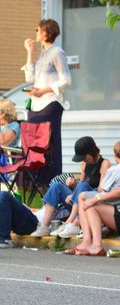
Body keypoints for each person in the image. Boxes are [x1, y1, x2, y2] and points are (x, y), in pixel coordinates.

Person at [23, 18, 70, 185]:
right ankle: (33, 182)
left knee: (49, 142)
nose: (35, 32)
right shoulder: (43, 53)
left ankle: (52, 181)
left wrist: (43, 91)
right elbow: (30, 78)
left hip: (51, 103)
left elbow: (66, 80)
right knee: (33, 140)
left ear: (45, 32)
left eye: (37, 30)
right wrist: (29, 52)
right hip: (36, 104)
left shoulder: (57, 52)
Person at [33, 136, 111, 238]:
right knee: (56, 186)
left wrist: (77, 193)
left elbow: (102, 190)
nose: (83, 160)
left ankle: (70, 223)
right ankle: (45, 225)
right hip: (78, 203)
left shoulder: (104, 164)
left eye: (84, 157)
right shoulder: (84, 164)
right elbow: (81, 184)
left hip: (92, 204)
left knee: (83, 186)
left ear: (91, 152)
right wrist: (74, 188)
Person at [68, 141, 120, 256]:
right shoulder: (87, 165)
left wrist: (95, 199)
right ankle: (91, 243)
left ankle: (91, 243)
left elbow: (103, 191)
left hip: (117, 215)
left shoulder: (114, 170)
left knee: (88, 203)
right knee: (86, 200)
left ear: (115, 155)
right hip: (114, 211)